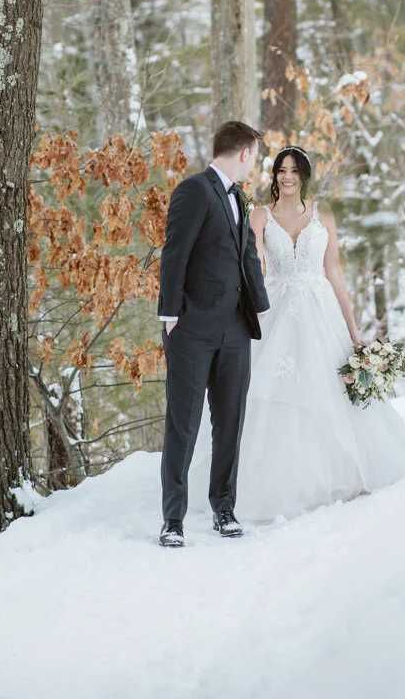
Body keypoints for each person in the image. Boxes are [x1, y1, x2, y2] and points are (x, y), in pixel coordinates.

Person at [234, 146, 405, 521]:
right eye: (281, 170)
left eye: (294, 170)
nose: (287, 177)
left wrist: (354, 331)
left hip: (321, 313)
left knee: (328, 390)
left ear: (304, 175)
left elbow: (334, 271)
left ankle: (339, 472)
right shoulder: (259, 214)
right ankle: (275, 484)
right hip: (275, 309)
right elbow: (251, 261)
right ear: (274, 175)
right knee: (272, 394)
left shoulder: (324, 214)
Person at [155, 121, 270, 548]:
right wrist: (170, 317)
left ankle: (224, 509)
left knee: (230, 422)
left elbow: (246, 258)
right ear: (243, 153)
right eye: (254, 156)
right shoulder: (193, 190)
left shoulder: (239, 197)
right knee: (182, 425)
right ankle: (173, 520)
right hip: (192, 330)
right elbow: (174, 254)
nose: (254, 163)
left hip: (236, 329)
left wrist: (261, 307)